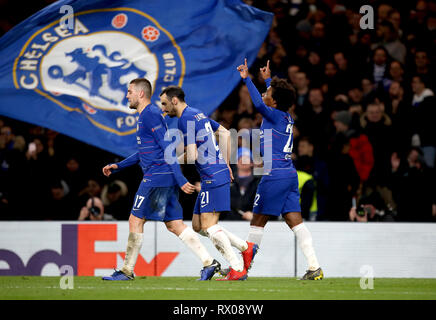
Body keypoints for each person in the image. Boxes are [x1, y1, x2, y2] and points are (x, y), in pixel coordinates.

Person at [101, 78, 220, 281]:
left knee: (135, 219)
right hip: (161, 175)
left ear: (140, 94)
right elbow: (145, 152)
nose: (127, 95)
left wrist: (181, 178)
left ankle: (126, 270)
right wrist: (119, 166)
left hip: (157, 176)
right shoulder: (146, 116)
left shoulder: (150, 114)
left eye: (129, 91)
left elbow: (167, 148)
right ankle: (209, 263)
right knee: (174, 224)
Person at [237, 59, 323, 280]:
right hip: (288, 174)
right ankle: (314, 267)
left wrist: (247, 79)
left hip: (273, 175)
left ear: (273, 102)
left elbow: (259, 103)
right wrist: (267, 80)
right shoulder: (286, 116)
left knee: (257, 222)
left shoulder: (273, 114)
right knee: (296, 222)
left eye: (268, 93)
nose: (265, 94)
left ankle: (242, 269)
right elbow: (272, 98)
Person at [159, 85, 257, 281]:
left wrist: (172, 161)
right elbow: (224, 133)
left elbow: (193, 153)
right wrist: (226, 163)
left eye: (164, 103)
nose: (163, 108)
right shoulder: (197, 114)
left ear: (175, 100)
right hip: (213, 173)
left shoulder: (184, 119)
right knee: (198, 226)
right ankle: (247, 248)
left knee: (211, 227)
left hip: (212, 176)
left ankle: (237, 269)